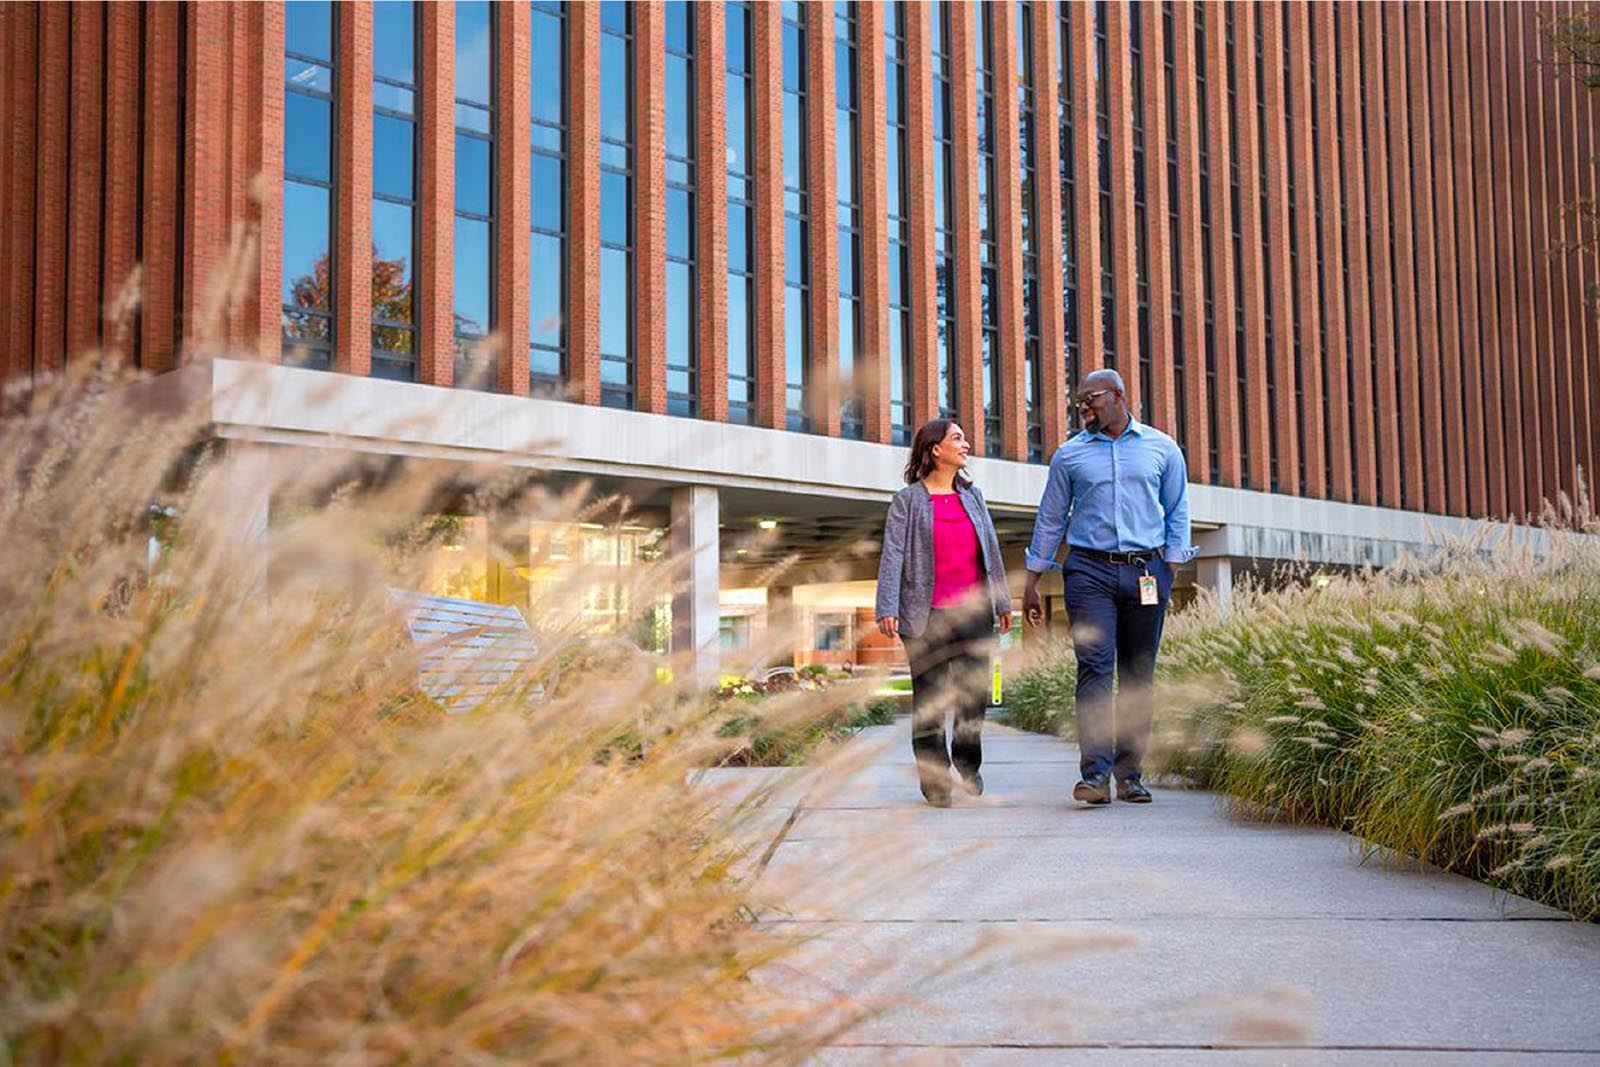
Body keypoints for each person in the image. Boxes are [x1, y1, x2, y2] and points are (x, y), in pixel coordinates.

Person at [1021, 369, 1195, 806]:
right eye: (1079, 401)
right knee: (1095, 667)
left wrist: (1171, 566)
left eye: (1091, 398)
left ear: (1118, 395)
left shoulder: (1162, 448)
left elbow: (1177, 509)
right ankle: (1095, 775)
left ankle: (1130, 774)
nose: (1083, 407)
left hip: (1146, 570)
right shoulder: (1069, 456)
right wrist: (1033, 578)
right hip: (1089, 571)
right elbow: (1051, 518)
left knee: (1138, 674)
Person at [875, 419, 1014, 807]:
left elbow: (991, 552)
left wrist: (1002, 601)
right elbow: (893, 555)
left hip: (974, 613)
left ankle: (968, 762)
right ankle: (935, 780)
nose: (965, 444)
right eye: (957, 438)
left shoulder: (974, 497)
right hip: (926, 616)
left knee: (974, 695)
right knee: (930, 700)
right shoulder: (908, 500)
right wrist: (887, 605)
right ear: (935, 448)